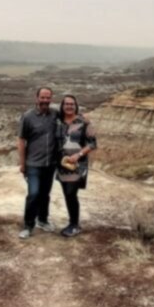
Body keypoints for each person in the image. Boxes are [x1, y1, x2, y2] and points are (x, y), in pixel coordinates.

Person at [17, 86, 58, 238]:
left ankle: (43, 219)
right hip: (33, 164)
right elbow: (21, 141)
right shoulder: (27, 117)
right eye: (43, 97)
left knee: (45, 194)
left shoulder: (55, 114)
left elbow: (71, 117)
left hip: (50, 164)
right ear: (37, 98)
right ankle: (28, 225)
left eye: (48, 98)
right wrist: (22, 164)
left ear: (51, 99)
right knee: (34, 193)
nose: (45, 100)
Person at [55, 94, 97, 237]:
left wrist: (78, 154)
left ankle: (75, 225)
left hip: (78, 165)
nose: (69, 106)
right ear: (62, 106)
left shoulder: (84, 122)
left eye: (72, 104)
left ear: (76, 106)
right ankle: (72, 222)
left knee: (71, 193)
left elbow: (92, 143)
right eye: (66, 104)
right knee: (67, 195)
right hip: (62, 165)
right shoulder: (58, 121)